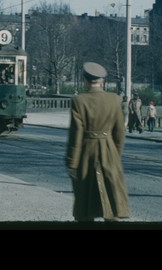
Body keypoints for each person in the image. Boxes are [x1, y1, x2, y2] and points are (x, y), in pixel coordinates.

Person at [65, 62, 130, 222]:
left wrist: (72, 163)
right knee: (111, 196)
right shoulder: (114, 99)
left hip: (86, 154)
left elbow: (76, 135)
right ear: (102, 81)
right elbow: (119, 132)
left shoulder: (79, 101)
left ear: (85, 81)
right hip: (109, 151)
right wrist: (115, 154)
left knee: (85, 201)